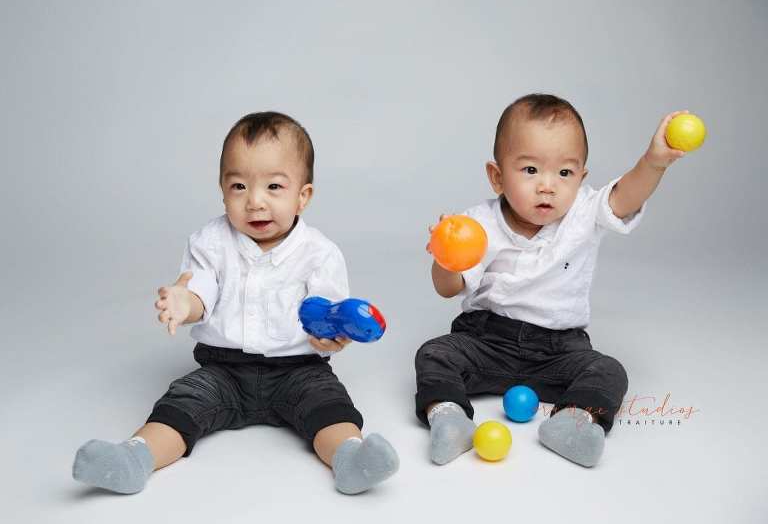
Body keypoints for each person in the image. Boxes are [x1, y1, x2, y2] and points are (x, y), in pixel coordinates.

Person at [73, 112, 399, 494]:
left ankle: (350, 457)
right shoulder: (210, 242)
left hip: (299, 369)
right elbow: (201, 292)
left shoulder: (319, 253)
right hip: (224, 371)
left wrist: (332, 336)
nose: (255, 202)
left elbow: (326, 313)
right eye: (239, 186)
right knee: (181, 404)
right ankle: (134, 458)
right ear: (222, 190)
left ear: (303, 196)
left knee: (330, 407)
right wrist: (183, 301)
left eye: (274, 187)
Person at [416, 93, 690, 467]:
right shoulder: (476, 225)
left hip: (559, 349)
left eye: (565, 173)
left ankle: (573, 421)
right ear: (497, 177)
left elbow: (625, 197)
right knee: (434, 354)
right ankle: (449, 418)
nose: (548, 185)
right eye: (530, 170)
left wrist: (654, 162)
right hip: (487, 340)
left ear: (581, 179)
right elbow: (447, 288)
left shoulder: (583, 213)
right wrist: (445, 257)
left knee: (609, 371)